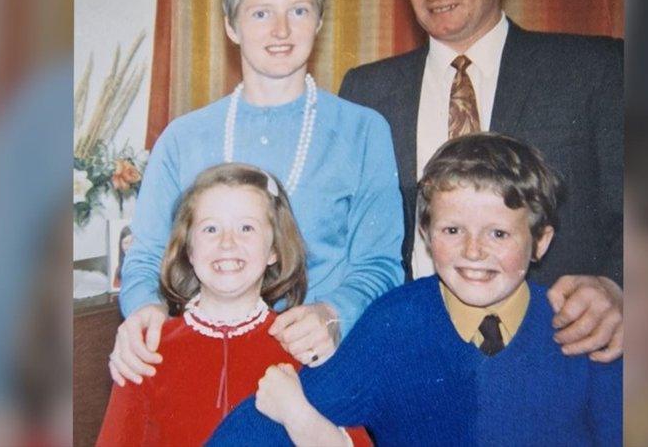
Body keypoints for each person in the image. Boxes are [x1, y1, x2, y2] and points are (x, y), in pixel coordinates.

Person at [110, 0, 404, 386]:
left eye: (299, 11)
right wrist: (144, 307)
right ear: (231, 25)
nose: (281, 31)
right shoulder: (183, 138)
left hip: (320, 367)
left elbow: (380, 264)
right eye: (261, 13)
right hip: (205, 369)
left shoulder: (363, 131)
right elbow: (147, 255)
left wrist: (332, 314)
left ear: (320, 21)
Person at [338, 0, 623, 360]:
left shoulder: (593, 70)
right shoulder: (366, 91)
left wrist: (619, 287)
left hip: (557, 349)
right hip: (410, 353)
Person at [209, 133, 622, 446]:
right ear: (425, 233)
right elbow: (272, 419)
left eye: (498, 233)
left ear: (541, 241)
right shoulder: (395, 324)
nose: (473, 251)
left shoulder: (580, 326)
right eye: (452, 230)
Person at [97, 164, 370, 446]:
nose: (227, 243)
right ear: (189, 249)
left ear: (274, 250)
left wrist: (298, 415)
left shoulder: (302, 342)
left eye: (246, 228)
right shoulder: (148, 351)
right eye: (211, 228)